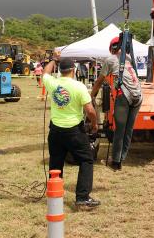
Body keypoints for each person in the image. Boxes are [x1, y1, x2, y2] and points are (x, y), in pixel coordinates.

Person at [42, 51, 100, 208]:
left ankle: (55, 196)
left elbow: (45, 72)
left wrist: (54, 59)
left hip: (55, 131)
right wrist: (94, 124)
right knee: (86, 160)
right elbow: (90, 110)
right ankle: (82, 197)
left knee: (56, 163)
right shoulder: (79, 86)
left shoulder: (53, 83)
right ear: (73, 70)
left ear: (60, 70)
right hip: (74, 131)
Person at [91, 36, 142, 171]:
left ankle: (115, 162)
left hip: (124, 96)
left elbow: (100, 80)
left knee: (119, 131)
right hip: (138, 95)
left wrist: (92, 94)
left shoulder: (111, 59)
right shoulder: (129, 59)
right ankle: (121, 158)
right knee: (128, 130)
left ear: (112, 49)